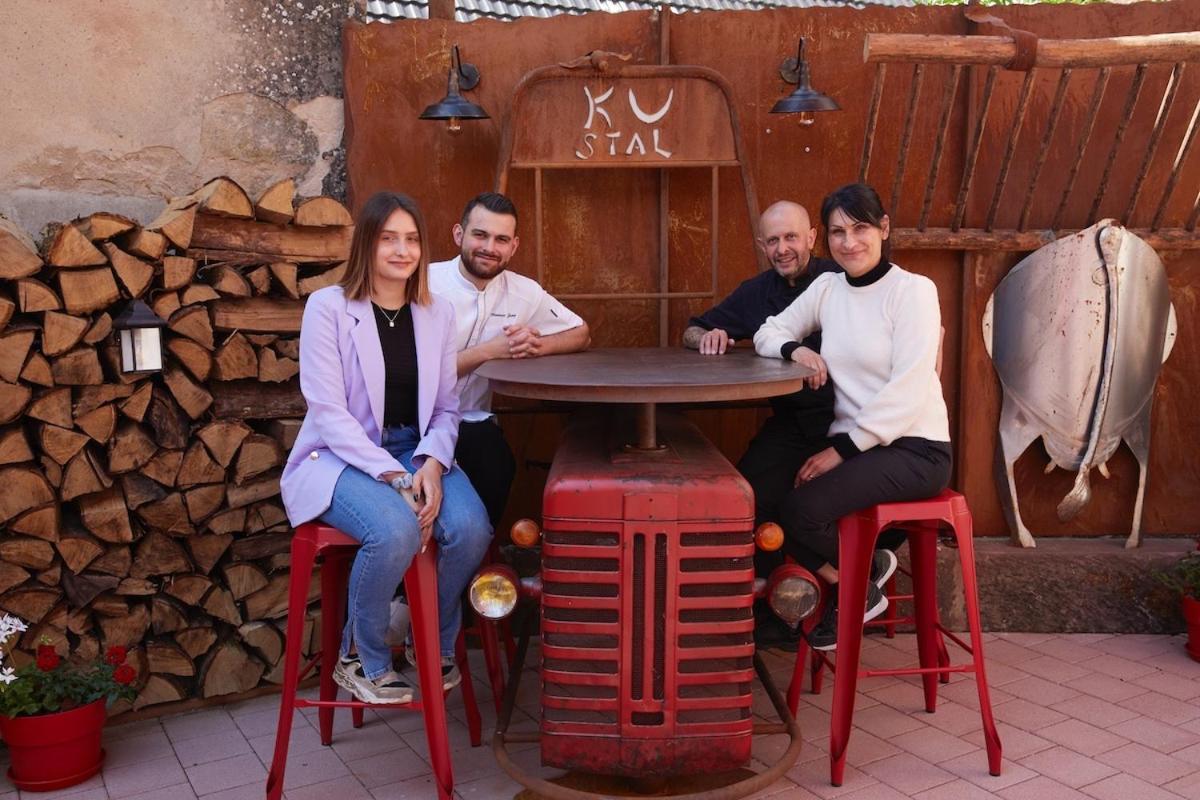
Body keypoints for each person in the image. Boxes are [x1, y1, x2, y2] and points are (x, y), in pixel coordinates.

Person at [281, 191, 492, 703]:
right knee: (395, 529)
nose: (402, 250)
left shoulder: (435, 313)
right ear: (367, 245)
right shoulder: (327, 308)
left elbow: (446, 406)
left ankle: (431, 644)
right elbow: (329, 414)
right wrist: (393, 476)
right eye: (388, 238)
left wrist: (431, 465)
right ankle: (361, 656)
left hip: (416, 449)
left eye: (412, 239)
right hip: (341, 456)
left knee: (470, 529)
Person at [753, 183, 952, 651]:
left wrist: (840, 451)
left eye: (860, 228)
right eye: (839, 232)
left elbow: (908, 389)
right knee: (780, 501)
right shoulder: (827, 288)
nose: (849, 242)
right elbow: (769, 331)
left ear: (884, 228)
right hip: (864, 448)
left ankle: (856, 585)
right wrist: (795, 348)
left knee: (802, 511)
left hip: (915, 447)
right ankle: (859, 581)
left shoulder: (914, 292)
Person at [684, 201, 845, 648]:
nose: (783, 249)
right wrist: (709, 336)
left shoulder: (840, 281)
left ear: (812, 237)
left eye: (791, 237)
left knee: (817, 506)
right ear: (761, 244)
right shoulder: (757, 292)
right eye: (773, 240)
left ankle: (844, 595)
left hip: (851, 422)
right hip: (793, 421)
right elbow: (692, 330)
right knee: (747, 495)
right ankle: (776, 608)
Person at [429, 192, 590, 526]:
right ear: (459, 234)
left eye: (501, 239)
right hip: (412, 423)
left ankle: (477, 570)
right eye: (480, 235)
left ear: (513, 246)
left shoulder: (523, 291)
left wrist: (533, 346)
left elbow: (580, 332)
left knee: (498, 465)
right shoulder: (424, 285)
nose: (490, 247)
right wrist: (492, 350)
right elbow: (417, 374)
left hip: (471, 423)